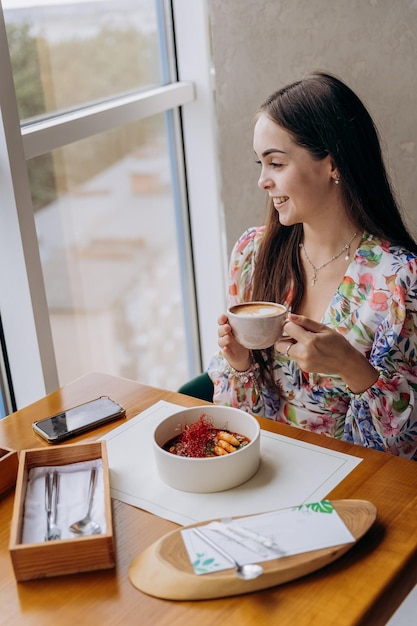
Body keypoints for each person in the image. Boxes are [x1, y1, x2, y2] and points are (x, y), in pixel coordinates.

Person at [207, 71, 417, 460]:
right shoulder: (253, 253)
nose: (262, 181)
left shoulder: (399, 281)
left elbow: (406, 449)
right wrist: (240, 366)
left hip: (357, 491)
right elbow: (237, 427)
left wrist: (354, 370)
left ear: (331, 164)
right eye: (260, 163)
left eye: (276, 163)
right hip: (267, 473)